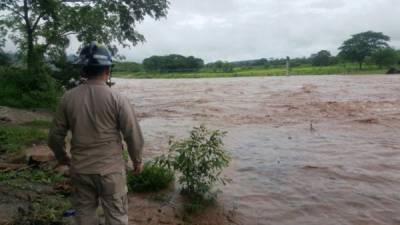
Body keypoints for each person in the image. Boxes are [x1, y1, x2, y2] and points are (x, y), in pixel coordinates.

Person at [48, 42, 144, 225]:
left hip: (80, 170)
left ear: (82, 70)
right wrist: (137, 161)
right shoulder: (118, 99)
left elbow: (54, 136)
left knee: (84, 217)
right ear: (107, 70)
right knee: (116, 217)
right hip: (111, 172)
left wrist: (63, 158)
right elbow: (132, 134)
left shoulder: (67, 98)